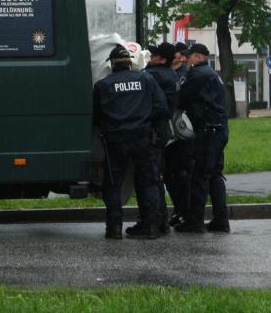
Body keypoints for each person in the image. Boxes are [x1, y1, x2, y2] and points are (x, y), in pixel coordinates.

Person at [93, 45, 170, 240]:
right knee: (148, 182)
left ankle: (114, 228)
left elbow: (96, 117)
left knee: (113, 185)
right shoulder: (146, 79)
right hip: (143, 139)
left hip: (116, 141)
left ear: (111, 64)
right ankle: (151, 226)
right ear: (129, 63)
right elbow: (162, 109)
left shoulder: (103, 86)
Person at [126, 42, 180, 237]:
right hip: (161, 131)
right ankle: (160, 221)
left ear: (162, 59)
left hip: (151, 132)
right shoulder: (171, 75)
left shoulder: (153, 76)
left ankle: (150, 224)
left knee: (147, 179)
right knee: (155, 178)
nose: (151, 57)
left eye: (154, 55)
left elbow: (151, 105)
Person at [176, 43, 230, 233]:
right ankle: (221, 220)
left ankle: (195, 221)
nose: (186, 59)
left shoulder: (197, 74)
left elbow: (181, 99)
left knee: (199, 176)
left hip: (207, 132)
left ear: (198, 56)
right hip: (219, 129)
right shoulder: (212, 73)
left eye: (189, 56)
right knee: (215, 174)